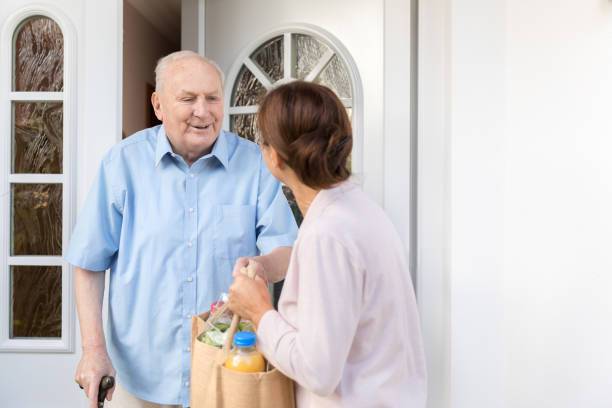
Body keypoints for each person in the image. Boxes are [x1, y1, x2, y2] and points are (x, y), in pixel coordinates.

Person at [66, 51, 297, 408]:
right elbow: (88, 262)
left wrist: (264, 266)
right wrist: (94, 350)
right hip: (141, 379)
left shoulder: (255, 165)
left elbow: (286, 249)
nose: (203, 111)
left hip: (231, 371)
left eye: (212, 98)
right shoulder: (122, 164)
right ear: (158, 105)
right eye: (188, 99)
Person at [227, 81, 427, 407]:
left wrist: (259, 312)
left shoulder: (327, 233)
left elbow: (318, 372)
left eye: (262, 144)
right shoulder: (359, 210)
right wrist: (267, 265)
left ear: (274, 157)